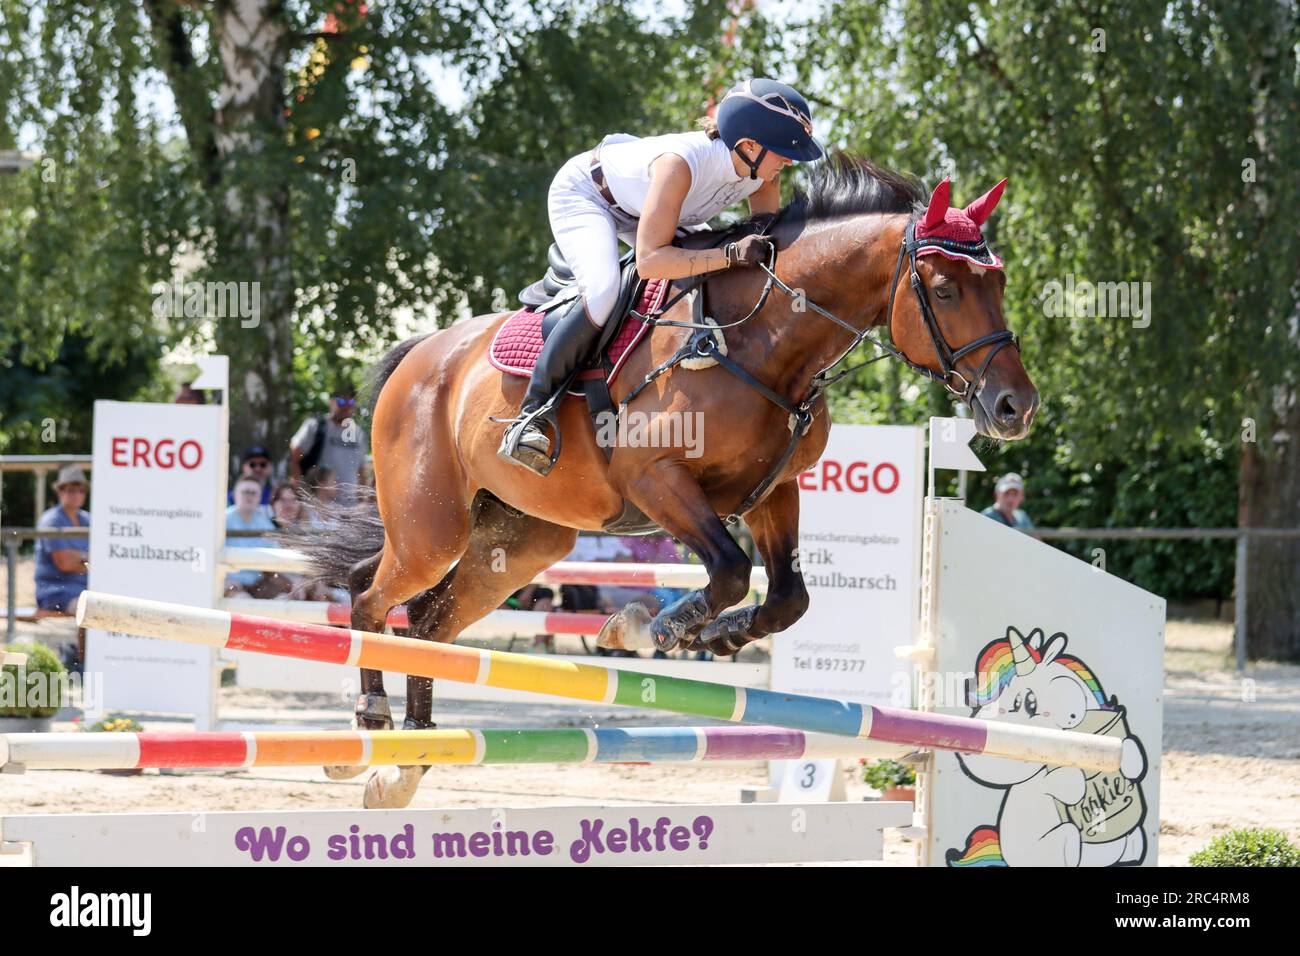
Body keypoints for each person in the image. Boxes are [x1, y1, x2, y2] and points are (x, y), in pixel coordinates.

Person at [499, 77, 825, 474]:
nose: (790, 162)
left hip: (659, 208)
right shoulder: (681, 163)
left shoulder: (763, 171)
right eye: (783, 153)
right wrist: (726, 254)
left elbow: (766, 245)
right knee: (603, 292)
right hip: (588, 196)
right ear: (750, 146)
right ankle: (532, 413)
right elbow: (651, 260)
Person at [289, 388, 368, 505]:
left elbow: (361, 472)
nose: (346, 406)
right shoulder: (315, 426)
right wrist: (299, 492)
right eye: (341, 402)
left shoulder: (358, 433)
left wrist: (362, 501)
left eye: (351, 402)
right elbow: (294, 459)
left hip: (350, 508)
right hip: (319, 506)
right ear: (331, 402)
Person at [34, 466, 90, 618]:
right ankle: (81, 643)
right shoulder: (51, 521)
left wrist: (80, 557)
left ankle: (82, 642)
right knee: (90, 609)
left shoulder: (87, 518)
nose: (77, 494)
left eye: (81, 490)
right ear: (60, 491)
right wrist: (89, 559)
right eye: (71, 490)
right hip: (56, 591)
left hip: (83, 589)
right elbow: (65, 563)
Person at [223, 477, 283, 597]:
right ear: (235, 495)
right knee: (242, 600)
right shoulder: (222, 519)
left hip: (258, 583)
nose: (249, 496)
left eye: (253, 493)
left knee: (284, 600)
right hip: (229, 583)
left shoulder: (265, 523)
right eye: (245, 492)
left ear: (260, 497)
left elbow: (275, 556)